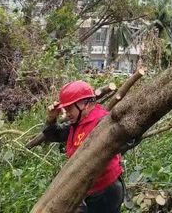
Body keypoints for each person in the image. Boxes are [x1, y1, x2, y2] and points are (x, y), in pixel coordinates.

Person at [42, 81, 124, 213]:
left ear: (84, 104)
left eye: (69, 108)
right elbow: (54, 135)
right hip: (87, 189)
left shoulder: (101, 121)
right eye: (65, 109)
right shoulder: (78, 123)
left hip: (105, 191)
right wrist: (51, 119)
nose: (67, 113)